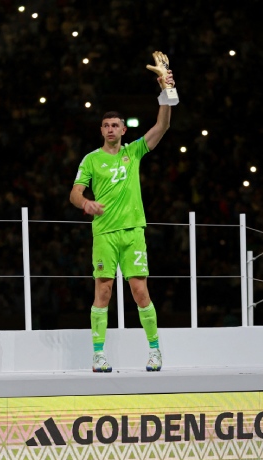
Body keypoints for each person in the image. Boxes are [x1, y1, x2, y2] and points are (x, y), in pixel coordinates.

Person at [69, 52, 176, 373]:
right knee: (103, 290)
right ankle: (98, 355)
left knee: (139, 290)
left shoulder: (134, 151)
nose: (110, 128)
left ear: (123, 130)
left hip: (133, 232)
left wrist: (167, 88)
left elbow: (163, 124)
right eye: (106, 125)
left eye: (115, 124)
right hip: (104, 233)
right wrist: (85, 202)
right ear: (101, 130)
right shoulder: (91, 159)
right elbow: (74, 192)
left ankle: (155, 351)